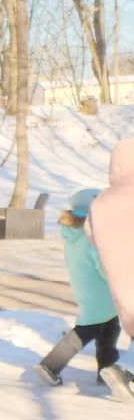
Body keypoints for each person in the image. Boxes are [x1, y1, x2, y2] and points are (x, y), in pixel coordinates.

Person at [34, 188, 131, 399]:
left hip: (85, 288)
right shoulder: (93, 237)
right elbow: (105, 266)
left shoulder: (73, 233)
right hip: (101, 293)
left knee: (108, 329)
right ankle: (50, 365)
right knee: (86, 330)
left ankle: (106, 371)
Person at [87, 139, 134, 399]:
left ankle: (126, 370)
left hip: (118, 277)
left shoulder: (101, 200)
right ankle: (125, 368)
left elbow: (90, 235)